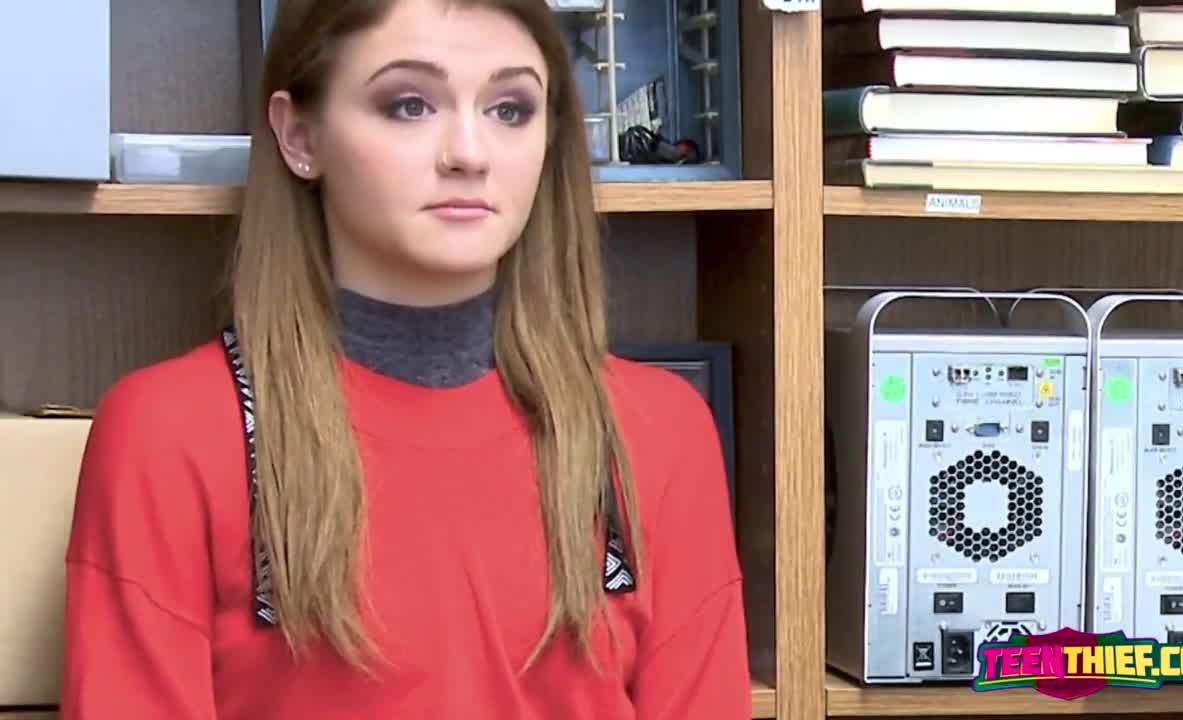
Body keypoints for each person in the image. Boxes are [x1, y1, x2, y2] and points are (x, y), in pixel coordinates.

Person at [58, 0, 750, 717]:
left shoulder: (660, 431)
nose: (469, 153)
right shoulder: (168, 433)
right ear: (299, 136)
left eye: (510, 110)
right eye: (410, 105)